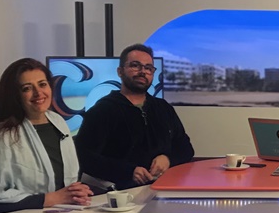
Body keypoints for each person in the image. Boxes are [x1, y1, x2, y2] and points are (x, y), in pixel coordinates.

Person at [0, 58, 92, 213]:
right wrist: (52, 199)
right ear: (14, 95)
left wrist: (75, 192)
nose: (38, 93)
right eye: (27, 88)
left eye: (42, 84)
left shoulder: (58, 121)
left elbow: (63, 182)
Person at [75, 44, 195, 189]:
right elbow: (84, 157)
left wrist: (167, 159)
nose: (142, 72)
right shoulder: (102, 110)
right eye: (135, 66)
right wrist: (128, 171)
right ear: (120, 71)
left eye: (148, 68)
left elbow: (185, 148)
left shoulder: (163, 108)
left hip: (164, 187)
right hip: (122, 192)